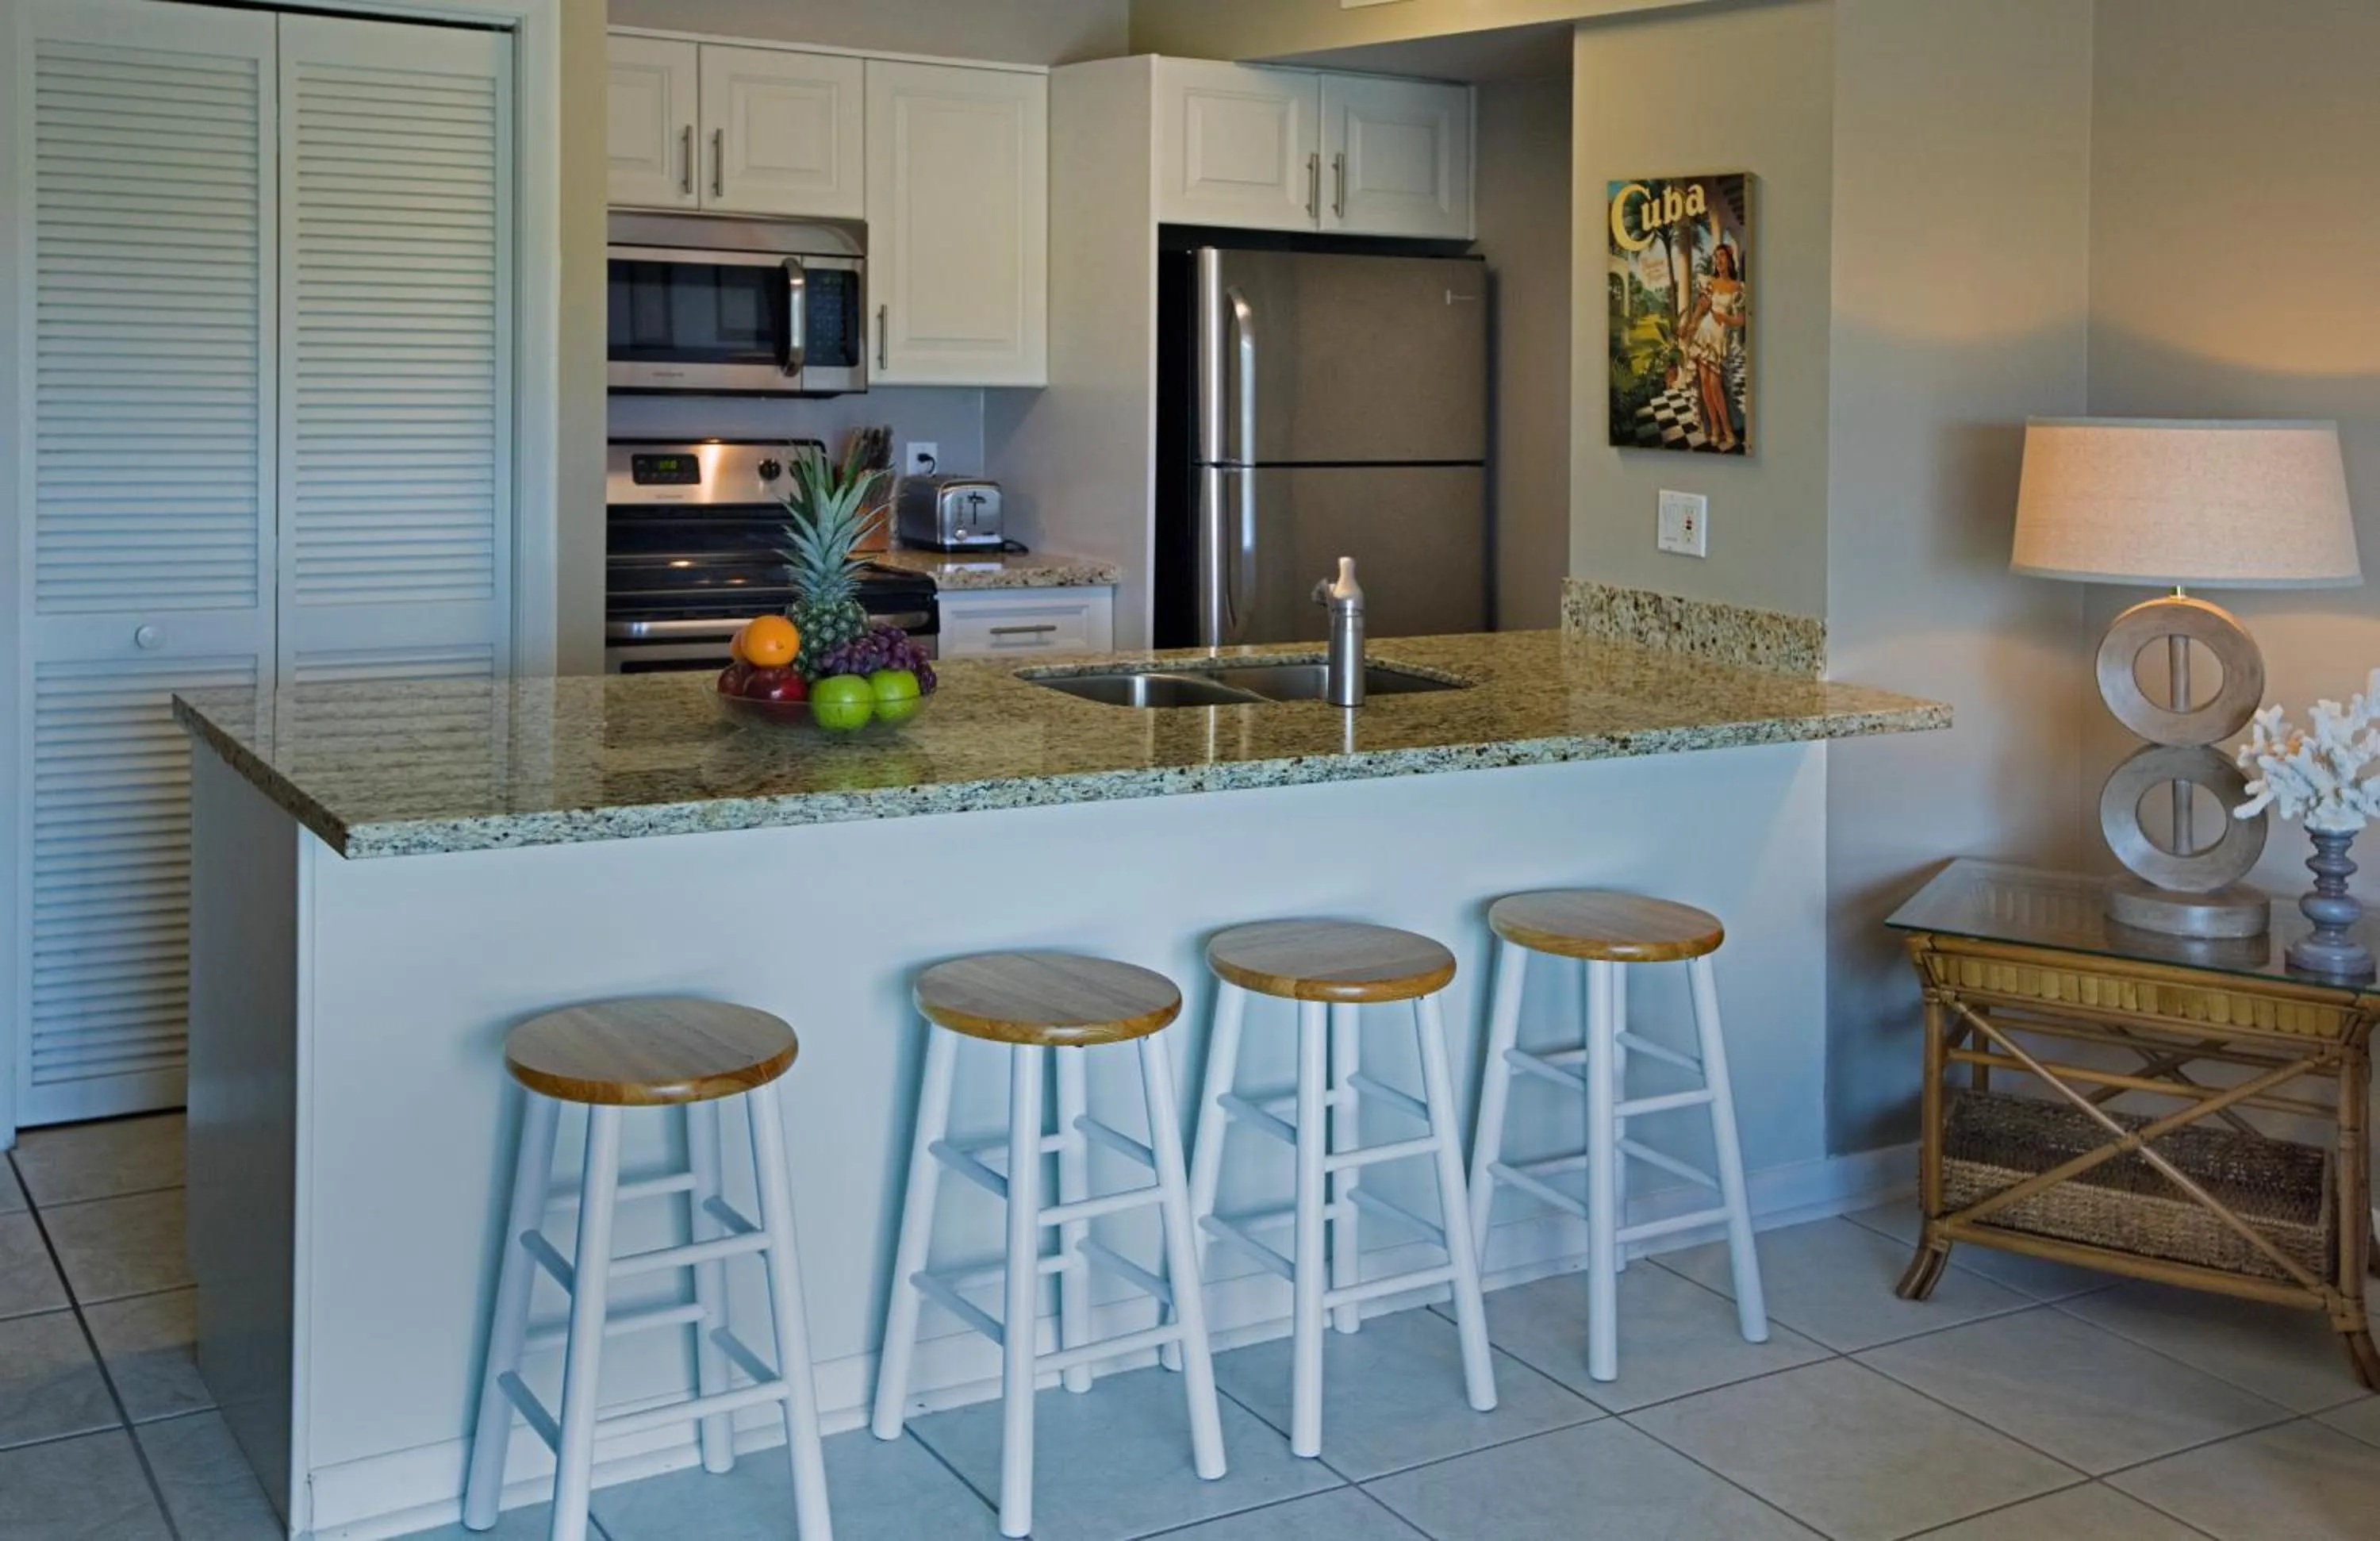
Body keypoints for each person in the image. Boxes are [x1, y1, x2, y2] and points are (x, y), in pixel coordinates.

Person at [1682, 241, 1745, 451]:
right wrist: (1691, 323)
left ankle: (1727, 429)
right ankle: (1715, 427)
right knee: (1706, 384)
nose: (1718, 261)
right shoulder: (1711, 283)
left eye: (1722, 256)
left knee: (1716, 384)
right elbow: (1702, 306)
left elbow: (1741, 320)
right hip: (1704, 334)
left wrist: (1725, 318)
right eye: (1716, 257)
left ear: (1729, 259)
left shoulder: (1738, 287)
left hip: (1719, 337)